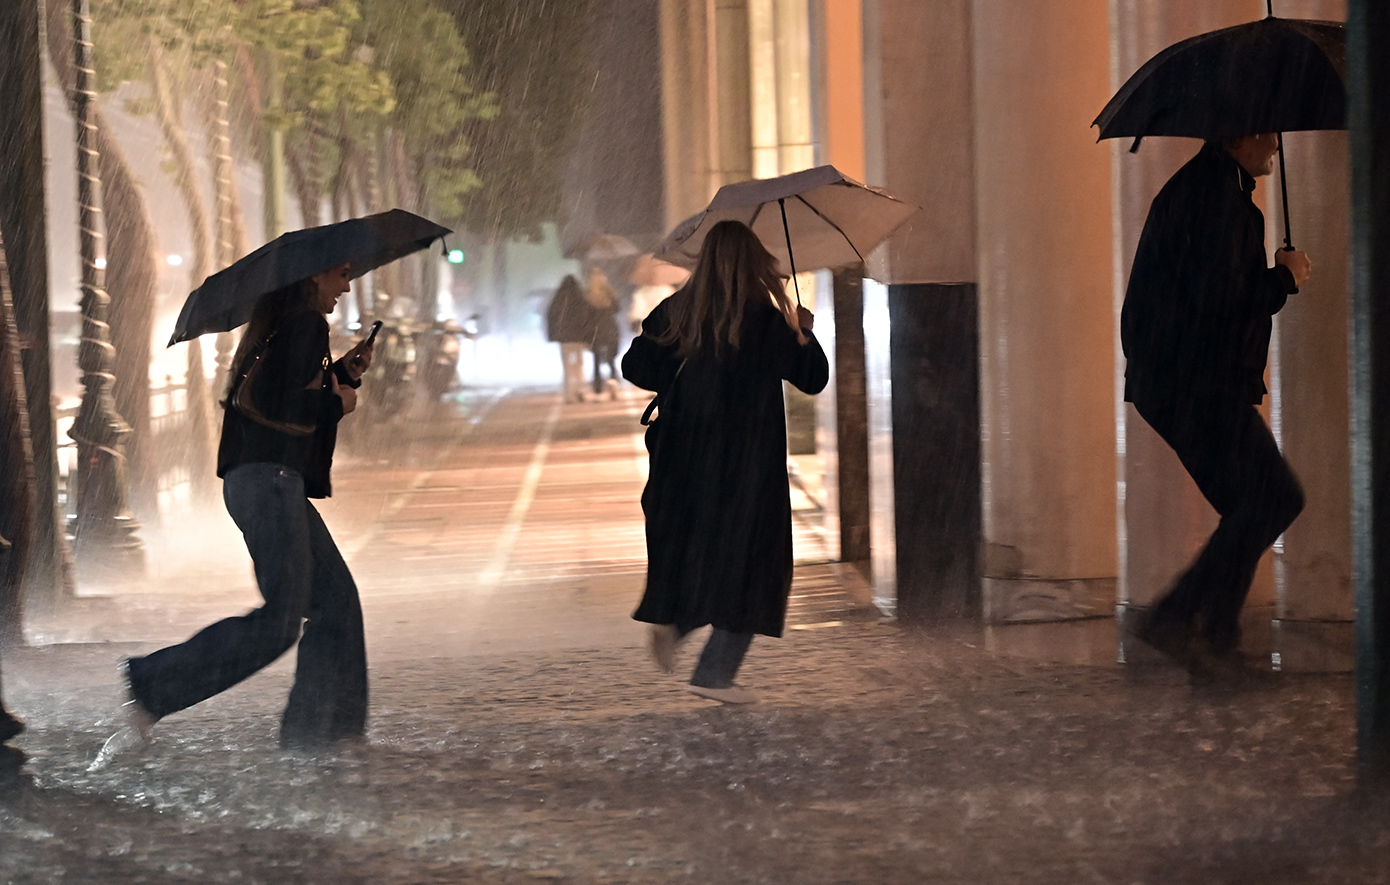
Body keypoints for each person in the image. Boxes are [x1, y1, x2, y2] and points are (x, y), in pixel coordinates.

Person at [94, 263, 374, 765]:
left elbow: (282, 393)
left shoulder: (278, 327)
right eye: (339, 275)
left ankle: (324, 731)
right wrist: (340, 404)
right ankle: (154, 684)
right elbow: (283, 403)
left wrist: (341, 376)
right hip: (270, 483)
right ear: (312, 276)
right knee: (282, 621)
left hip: (260, 481)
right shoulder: (306, 324)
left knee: (336, 601)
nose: (345, 286)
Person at [1122, 132, 1312, 682]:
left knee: (1252, 508)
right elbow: (1222, 299)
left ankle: (1216, 643)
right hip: (1193, 380)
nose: (1276, 145)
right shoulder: (1212, 197)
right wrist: (1286, 277)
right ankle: (1175, 618)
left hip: (1185, 378)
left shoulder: (1214, 191)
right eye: (1268, 133)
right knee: (1275, 497)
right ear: (1242, 136)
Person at [622, 220, 828, 704]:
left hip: (686, 459)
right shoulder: (766, 321)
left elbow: (636, 368)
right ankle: (714, 673)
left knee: (703, 550)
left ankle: (679, 622)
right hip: (748, 465)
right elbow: (813, 379)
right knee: (753, 561)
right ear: (755, 263)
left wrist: (672, 360)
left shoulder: (677, 311)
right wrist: (803, 335)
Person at [546, 274, 591, 404]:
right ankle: (580, 390)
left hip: (564, 338)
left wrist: (553, 335)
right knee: (579, 365)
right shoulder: (580, 299)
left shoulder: (558, 299)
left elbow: (552, 317)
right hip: (578, 337)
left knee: (567, 367)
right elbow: (587, 318)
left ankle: (568, 393)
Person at [584, 266, 621, 398]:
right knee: (611, 359)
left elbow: (585, 315)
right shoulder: (609, 293)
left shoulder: (587, 294)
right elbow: (617, 309)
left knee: (596, 359)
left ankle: (598, 388)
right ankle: (613, 384)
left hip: (595, 329)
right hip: (610, 327)